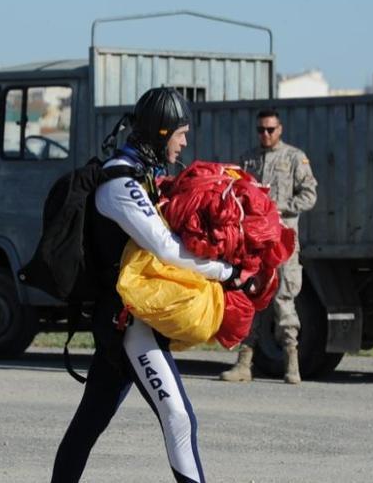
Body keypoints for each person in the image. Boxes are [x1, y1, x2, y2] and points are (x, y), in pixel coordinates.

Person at [51, 87, 244, 483]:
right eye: (180, 133)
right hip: (129, 324)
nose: (185, 141)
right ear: (160, 132)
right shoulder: (121, 183)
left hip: (126, 321)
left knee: (88, 425)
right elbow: (165, 247)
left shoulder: (145, 175)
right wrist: (227, 272)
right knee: (178, 417)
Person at [219, 109, 318, 385]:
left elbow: (309, 194)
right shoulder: (248, 159)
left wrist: (279, 208)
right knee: (251, 298)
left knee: (284, 299)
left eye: (270, 130)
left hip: (282, 243)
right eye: (261, 130)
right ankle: (244, 364)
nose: (266, 134)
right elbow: (236, 192)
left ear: (280, 129)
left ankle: (291, 362)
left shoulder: (294, 158)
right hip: (254, 244)